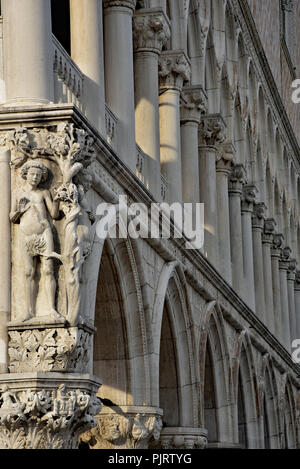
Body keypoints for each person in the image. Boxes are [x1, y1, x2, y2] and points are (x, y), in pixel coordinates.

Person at [10, 161, 61, 322]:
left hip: (44, 233)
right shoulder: (18, 193)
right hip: (26, 235)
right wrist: (20, 210)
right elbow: (12, 216)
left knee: (48, 270)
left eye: (38, 175)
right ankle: (29, 311)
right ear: (26, 174)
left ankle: (52, 309)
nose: (35, 177)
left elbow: (54, 214)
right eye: (32, 174)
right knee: (28, 272)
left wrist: (58, 197)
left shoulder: (44, 193)